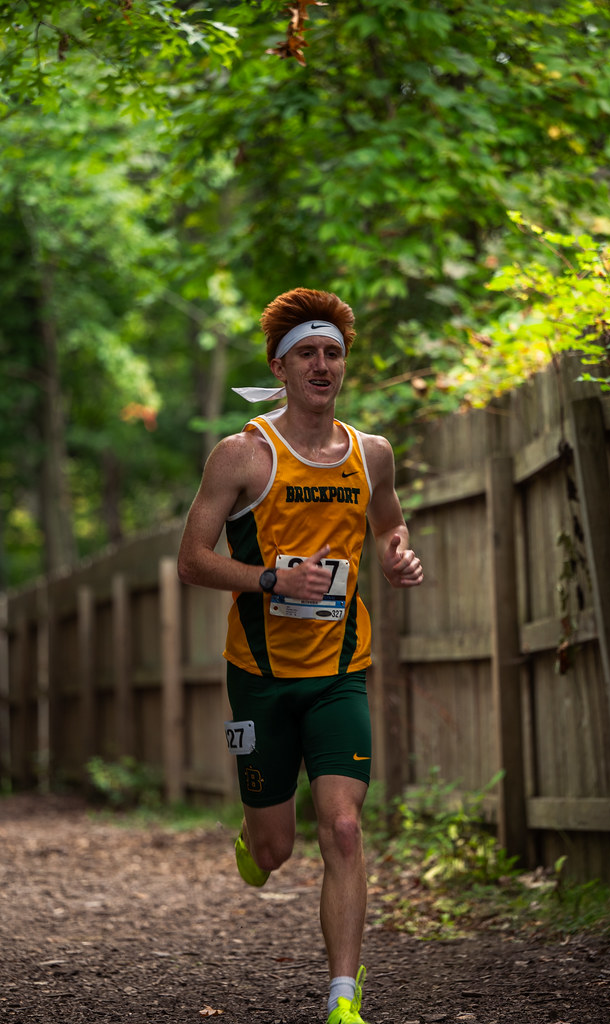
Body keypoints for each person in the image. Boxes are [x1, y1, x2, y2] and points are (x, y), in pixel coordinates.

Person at [177, 287, 423, 1024]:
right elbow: (191, 560)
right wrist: (270, 580)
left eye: (333, 353)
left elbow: (388, 526)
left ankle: (344, 998)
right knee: (275, 849)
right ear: (279, 368)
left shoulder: (371, 454)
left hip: (340, 671)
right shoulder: (242, 456)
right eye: (307, 353)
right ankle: (254, 839)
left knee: (343, 827)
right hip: (258, 678)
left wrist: (397, 558)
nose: (322, 365)